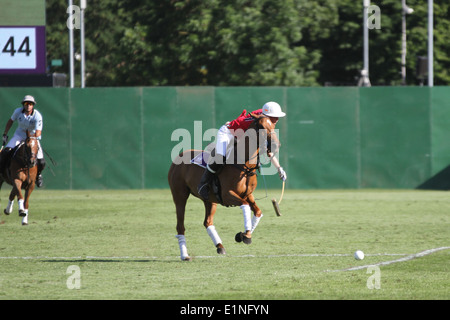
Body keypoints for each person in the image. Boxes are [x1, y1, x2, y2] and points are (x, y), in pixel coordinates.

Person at [197, 101, 287, 200]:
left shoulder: (266, 122)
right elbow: (238, 124)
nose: (277, 119)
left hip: (240, 135)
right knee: (220, 157)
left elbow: (268, 150)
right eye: (275, 116)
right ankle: (203, 184)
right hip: (228, 132)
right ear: (267, 115)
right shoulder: (257, 122)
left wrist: (279, 168)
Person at [0, 95, 46, 187]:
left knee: (41, 161)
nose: (28, 105)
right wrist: (5, 134)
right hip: (19, 136)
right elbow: (10, 121)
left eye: (30, 104)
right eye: (26, 103)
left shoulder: (37, 116)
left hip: (32, 139)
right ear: (23, 105)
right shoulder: (18, 111)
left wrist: (31, 139)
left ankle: (38, 175)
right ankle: (1, 171)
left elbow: (38, 132)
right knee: (5, 152)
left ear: (33, 105)